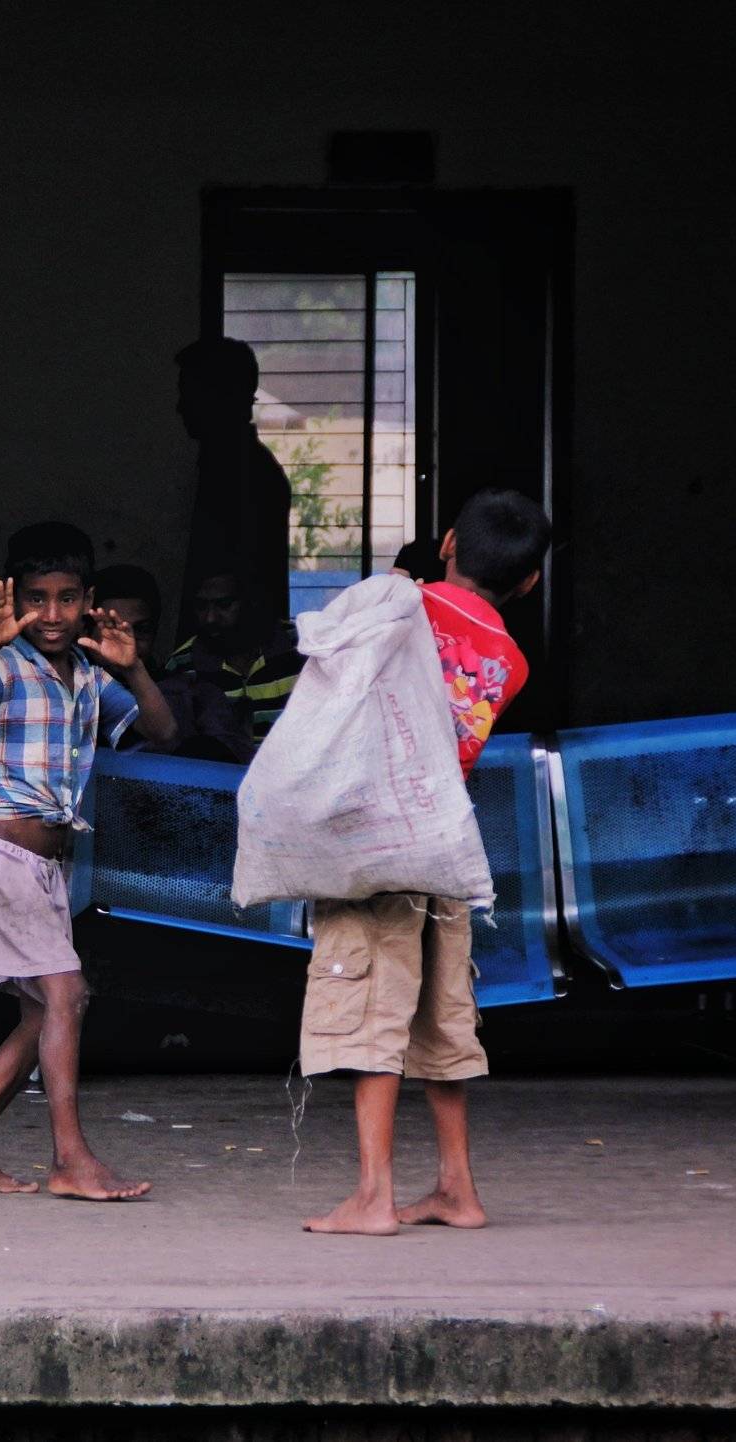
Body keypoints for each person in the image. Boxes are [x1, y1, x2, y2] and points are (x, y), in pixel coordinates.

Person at [300, 488, 551, 1237]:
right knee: (443, 1012)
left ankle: (373, 1197)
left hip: (377, 838)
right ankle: (456, 1189)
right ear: (529, 582)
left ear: (446, 543)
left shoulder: (399, 605)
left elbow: (325, 665)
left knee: (373, 1006)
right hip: (448, 840)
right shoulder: (512, 661)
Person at [0, 522, 178, 1201]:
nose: (53, 615)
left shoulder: (90, 677)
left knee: (43, 1014)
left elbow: (162, 731)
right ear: (13, 603)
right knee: (67, 994)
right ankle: (71, 1159)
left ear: (89, 601)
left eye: (68, 599)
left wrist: (133, 667)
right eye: (36, 600)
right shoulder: (3, 666)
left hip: (45, 868)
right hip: (2, 851)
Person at [176, 337, 292, 636]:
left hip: (233, 644)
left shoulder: (243, 472)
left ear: (220, 397)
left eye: (189, 394)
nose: (180, 407)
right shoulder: (234, 465)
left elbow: (240, 576)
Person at [160, 562, 303, 763]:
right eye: (201, 606)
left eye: (224, 605)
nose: (210, 618)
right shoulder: (182, 664)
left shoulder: (300, 648)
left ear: (251, 602)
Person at [93, 564, 162, 670]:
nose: (129, 644)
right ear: (84, 631)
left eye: (142, 630)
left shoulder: (171, 680)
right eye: (114, 629)